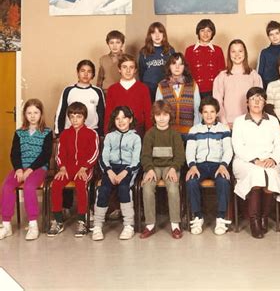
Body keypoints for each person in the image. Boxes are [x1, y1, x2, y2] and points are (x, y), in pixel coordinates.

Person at [232, 87, 280, 239]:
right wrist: (255, 160)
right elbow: (238, 146)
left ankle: (264, 217)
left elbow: (279, 145)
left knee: (270, 175)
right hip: (245, 161)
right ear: (247, 102)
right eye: (253, 99)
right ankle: (254, 221)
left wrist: (273, 159)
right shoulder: (239, 121)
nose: (257, 102)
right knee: (256, 174)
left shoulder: (273, 121)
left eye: (260, 99)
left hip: (269, 159)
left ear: (265, 102)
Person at [0, 99, 53, 241]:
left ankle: (33, 224)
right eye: (29, 113)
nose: (33, 116)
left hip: (38, 168)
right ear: (25, 115)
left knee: (29, 187)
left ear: (41, 114)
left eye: (36, 112)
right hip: (20, 168)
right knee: (6, 186)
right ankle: (6, 225)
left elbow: (45, 155)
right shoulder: (19, 133)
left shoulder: (47, 132)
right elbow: (14, 153)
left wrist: (30, 169)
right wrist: (18, 169)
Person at [48, 102, 99, 237]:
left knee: (81, 184)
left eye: (78, 116)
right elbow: (60, 153)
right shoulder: (65, 134)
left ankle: (82, 221)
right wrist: (62, 168)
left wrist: (84, 167)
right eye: (72, 116)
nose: (75, 119)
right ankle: (58, 221)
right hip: (67, 168)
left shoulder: (91, 133)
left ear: (84, 117)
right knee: (56, 185)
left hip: (85, 168)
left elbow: (94, 153)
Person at [92, 106, 141, 241]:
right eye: (117, 118)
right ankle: (97, 225)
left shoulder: (136, 138)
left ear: (130, 119)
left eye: (124, 118)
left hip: (128, 169)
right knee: (104, 189)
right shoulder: (109, 137)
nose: (121, 121)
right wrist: (109, 171)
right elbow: (103, 158)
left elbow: (137, 160)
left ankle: (128, 225)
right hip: (111, 169)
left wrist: (125, 172)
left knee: (124, 188)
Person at [185, 97, 233, 235]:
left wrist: (224, 165)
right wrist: (192, 165)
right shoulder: (194, 130)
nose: (209, 115)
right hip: (199, 165)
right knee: (191, 181)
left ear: (217, 112)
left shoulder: (223, 129)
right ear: (201, 113)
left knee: (223, 181)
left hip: (217, 165)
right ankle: (198, 216)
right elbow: (190, 150)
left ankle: (221, 218)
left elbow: (228, 149)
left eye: (212, 111)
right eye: (205, 112)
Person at [140, 100, 185, 239]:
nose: (161, 118)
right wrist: (149, 169)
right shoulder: (150, 134)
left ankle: (175, 224)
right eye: (158, 115)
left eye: (165, 115)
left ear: (169, 116)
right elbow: (145, 156)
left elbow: (180, 156)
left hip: (170, 167)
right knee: (147, 187)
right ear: (153, 116)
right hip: (154, 167)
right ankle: (150, 224)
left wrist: (174, 168)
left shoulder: (174, 134)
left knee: (172, 188)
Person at [213, 39, 263, 129]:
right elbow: (217, 101)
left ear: (245, 53)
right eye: (233, 51)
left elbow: (259, 101)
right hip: (228, 124)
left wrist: (254, 121)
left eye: (240, 51)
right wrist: (224, 121)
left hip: (249, 123)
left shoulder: (254, 75)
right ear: (229, 54)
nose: (237, 55)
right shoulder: (222, 76)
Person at [104, 53, 152, 137]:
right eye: (124, 67)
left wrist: (149, 136)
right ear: (119, 69)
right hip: (117, 133)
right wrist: (107, 135)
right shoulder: (112, 89)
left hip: (138, 133)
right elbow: (109, 115)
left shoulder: (143, 88)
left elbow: (148, 114)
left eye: (131, 67)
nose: (128, 70)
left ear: (135, 70)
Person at [55, 59, 105, 137]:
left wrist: (101, 134)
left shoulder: (97, 91)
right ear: (78, 73)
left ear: (92, 74)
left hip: (92, 132)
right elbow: (60, 112)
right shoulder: (68, 90)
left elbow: (102, 114)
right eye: (82, 71)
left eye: (89, 71)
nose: (85, 74)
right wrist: (58, 133)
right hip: (70, 132)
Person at [155, 52, 200, 135]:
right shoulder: (162, 86)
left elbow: (197, 110)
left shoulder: (192, 85)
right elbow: (158, 110)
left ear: (184, 67)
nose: (177, 67)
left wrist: (195, 131)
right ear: (169, 66)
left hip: (189, 132)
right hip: (168, 133)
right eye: (174, 63)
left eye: (180, 64)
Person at [184, 19, 225, 99]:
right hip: (194, 91)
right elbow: (186, 73)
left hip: (214, 91)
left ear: (212, 33)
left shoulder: (218, 50)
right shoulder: (189, 50)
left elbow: (222, 73)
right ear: (198, 32)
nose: (205, 34)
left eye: (209, 31)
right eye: (202, 30)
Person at [138, 22, 175, 101]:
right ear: (150, 35)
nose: (157, 35)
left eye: (160, 32)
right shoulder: (144, 51)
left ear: (163, 35)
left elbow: (173, 70)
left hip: (165, 86)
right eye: (154, 33)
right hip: (149, 86)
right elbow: (141, 71)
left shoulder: (170, 50)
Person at [96, 30, 125, 95]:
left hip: (122, 91)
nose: (114, 46)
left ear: (122, 44)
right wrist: (98, 92)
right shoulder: (103, 59)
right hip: (106, 91)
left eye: (118, 42)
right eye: (111, 43)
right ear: (108, 44)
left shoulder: (127, 59)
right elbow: (100, 78)